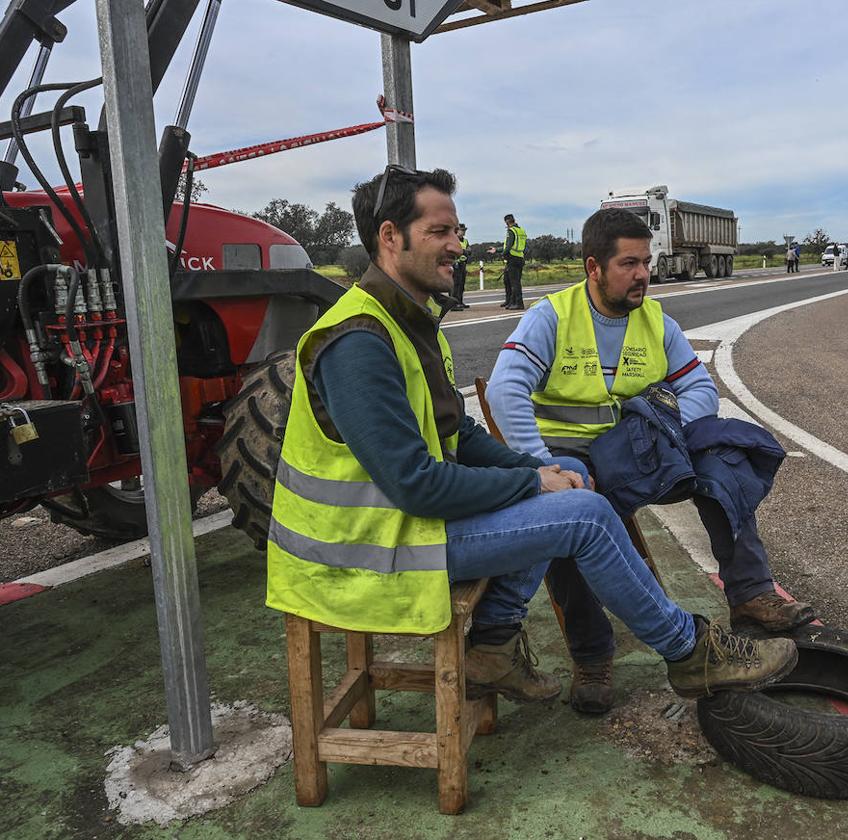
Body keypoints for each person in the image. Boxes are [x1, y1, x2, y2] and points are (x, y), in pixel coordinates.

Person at [264, 165, 799, 708]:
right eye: (440, 232)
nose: (458, 246)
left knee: (567, 490)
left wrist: (535, 471)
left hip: (403, 529)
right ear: (388, 237)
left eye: (458, 231)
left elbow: (460, 433)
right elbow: (417, 485)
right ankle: (690, 655)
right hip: (364, 552)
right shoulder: (359, 339)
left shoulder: (406, 321)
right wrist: (533, 485)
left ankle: (495, 643)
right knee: (582, 514)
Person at [488, 207, 816, 715]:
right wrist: (538, 465)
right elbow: (507, 389)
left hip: (636, 448)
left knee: (722, 459)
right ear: (593, 267)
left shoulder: (656, 319)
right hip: (569, 450)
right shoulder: (551, 316)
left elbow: (700, 387)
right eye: (629, 264)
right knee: (570, 507)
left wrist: (665, 433)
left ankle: (750, 593)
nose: (643, 274)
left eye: (646, 261)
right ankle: (592, 656)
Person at [501, 213, 527, 310]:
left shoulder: (511, 231)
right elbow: (524, 246)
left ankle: (519, 303)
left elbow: (508, 245)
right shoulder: (521, 231)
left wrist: (504, 254)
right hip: (520, 258)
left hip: (512, 258)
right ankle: (511, 302)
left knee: (514, 283)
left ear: (507, 222)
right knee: (513, 281)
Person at [451, 224, 469, 310]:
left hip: (463, 264)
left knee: (461, 284)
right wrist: (464, 251)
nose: (464, 232)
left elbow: (469, 251)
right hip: (455, 264)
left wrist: (465, 251)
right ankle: (453, 304)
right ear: (457, 231)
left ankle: (460, 302)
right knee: (455, 285)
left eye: (464, 230)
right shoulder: (453, 240)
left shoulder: (465, 241)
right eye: (462, 230)